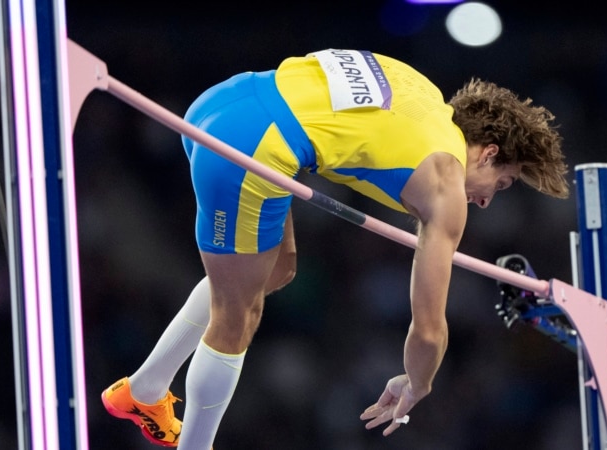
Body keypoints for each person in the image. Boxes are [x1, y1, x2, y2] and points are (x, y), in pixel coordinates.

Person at [100, 48, 569, 448]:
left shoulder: (421, 92)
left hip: (228, 99)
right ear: (487, 152)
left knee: (277, 269)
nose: (486, 200)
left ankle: (143, 389)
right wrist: (418, 382)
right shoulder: (447, 186)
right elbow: (428, 331)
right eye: (501, 183)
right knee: (237, 313)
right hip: (256, 145)